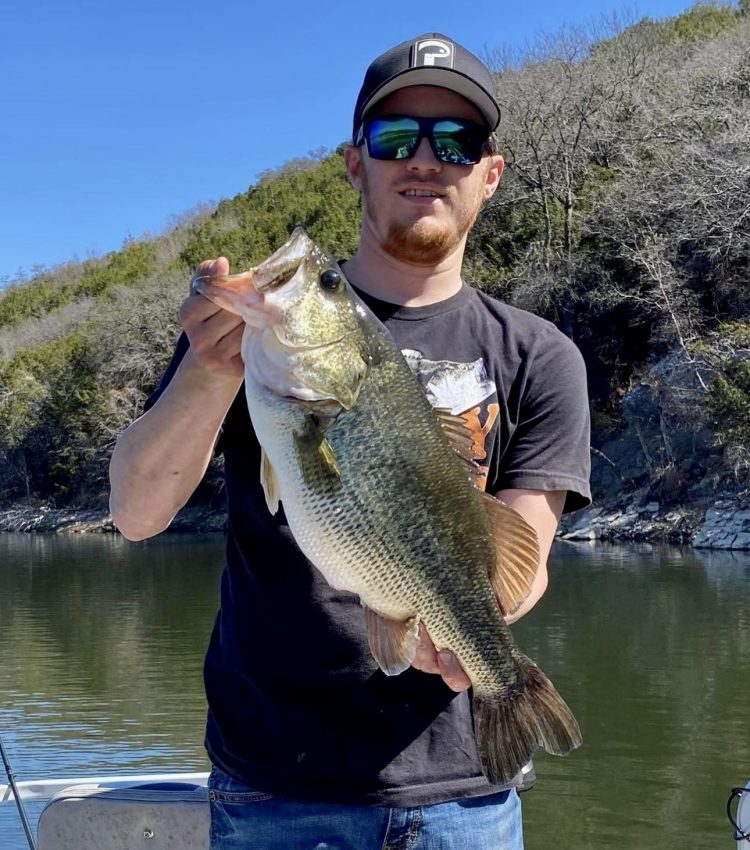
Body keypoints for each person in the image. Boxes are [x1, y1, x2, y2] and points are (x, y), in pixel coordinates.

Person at [109, 32, 591, 850]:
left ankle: (511, 689)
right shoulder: (246, 350)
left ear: (491, 173)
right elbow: (136, 512)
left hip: (463, 800)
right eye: (396, 138)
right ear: (354, 164)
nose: (427, 160)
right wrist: (206, 372)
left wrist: (473, 633)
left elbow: (520, 555)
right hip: (272, 788)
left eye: (458, 142)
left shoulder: (539, 355)